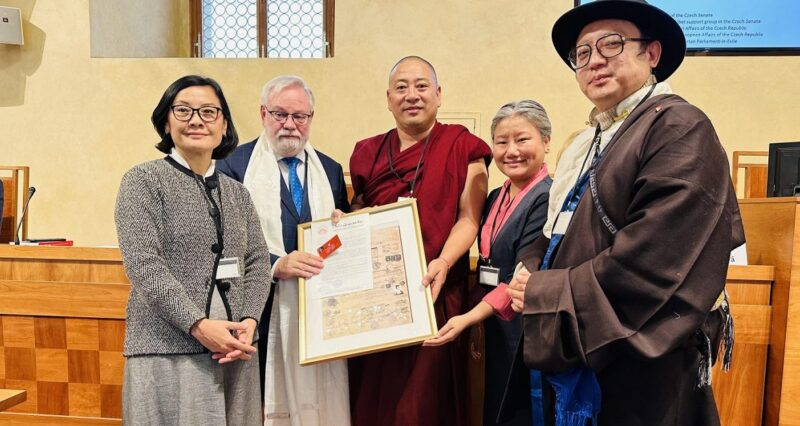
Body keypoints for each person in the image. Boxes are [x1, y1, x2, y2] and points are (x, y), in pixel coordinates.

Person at [505, 1, 744, 425]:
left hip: (639, 363)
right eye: (582, 54)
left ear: (651, 54)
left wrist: (545, 292)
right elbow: (557, 227)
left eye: (611, 45)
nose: (594, 61)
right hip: (580, 341)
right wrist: (528, 270)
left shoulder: (679, 127)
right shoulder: (592, 138)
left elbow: (655, 261)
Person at [115, 75, 271, 425]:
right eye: (183, 110)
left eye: (208, 111)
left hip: (236, 349)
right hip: (167, 347)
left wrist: (249, 321)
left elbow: (258, 262)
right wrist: (199, 325)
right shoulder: (142, 181)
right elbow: (144, 265)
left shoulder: (237, 193)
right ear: (166, 123)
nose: (196, 120)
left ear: (224, 125)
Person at [348, 55, 491, 426]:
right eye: (401, 87)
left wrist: (443, 263)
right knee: (372, 398)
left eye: (421, 86)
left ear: (439, 94)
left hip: (437, 293)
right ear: (388, 98)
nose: (412, 95)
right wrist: (342, 223)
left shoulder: (463, 146)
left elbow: (468, 218)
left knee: (424, 404)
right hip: (378, 302)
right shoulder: (368, 152)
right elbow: (358, 212)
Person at [217, 75, 351, 425]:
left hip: (318, 308)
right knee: (260, 406)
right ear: (263, 114)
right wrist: (276, 265)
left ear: (311, 118)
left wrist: (343, 226)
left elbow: (340, 238)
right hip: (255, 309)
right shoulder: (234, 165)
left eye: (300, 116)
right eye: (280, 114)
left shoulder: (331, 170)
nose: (290, 124)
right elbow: (223, 241)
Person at [424, 100, 553, 426]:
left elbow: (522, 274)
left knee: (520, 410)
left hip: (526, 325)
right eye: (501, 141)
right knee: (494, 404)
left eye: (522, 139)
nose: (512, 151)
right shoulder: (496, 194)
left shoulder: (548, 197)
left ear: (546, 142)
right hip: (494, 321)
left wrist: (468, 318)